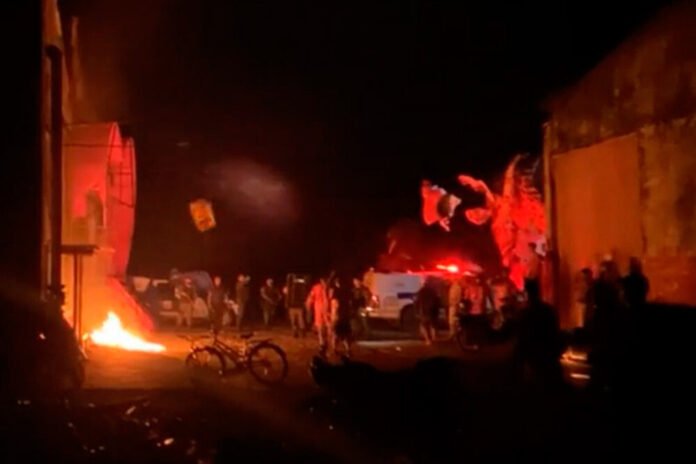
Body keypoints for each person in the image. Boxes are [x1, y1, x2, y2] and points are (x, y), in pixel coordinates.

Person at [514, 279, 563, 389]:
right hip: (548, 356)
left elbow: (522, 338)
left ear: (526, 294)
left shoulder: (525, 314)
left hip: (535, 357)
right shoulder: (548, 310)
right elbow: (555, 332)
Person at [306, 277, 331, 356]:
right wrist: (308, 304)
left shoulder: (331, 288)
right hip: (319, 310)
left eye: (326, 280)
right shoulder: (316, 287)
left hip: (329, 310)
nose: (325, 282)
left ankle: (328, 342)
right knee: (319, 326)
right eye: (324, 280)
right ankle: (321, 343)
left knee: (329, 326)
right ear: (321, 280)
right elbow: (311, 297)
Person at [329, 278, 353, 357]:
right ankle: (348, 350)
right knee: (345, 334)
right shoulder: (347, 292)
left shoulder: (336, 293)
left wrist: (333, 316)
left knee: (336, 334)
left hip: (338, 316)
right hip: (345, 316)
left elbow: (335, 305)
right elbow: (350, 304)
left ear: (337, 283)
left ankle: (334, 349)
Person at [415, 278, 440, 345]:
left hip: (424, 311)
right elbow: (437, 302)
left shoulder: (421, 291)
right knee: (433, 325)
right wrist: (437, 311)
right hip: (432, 312)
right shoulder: (433, 291)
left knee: (425, 326)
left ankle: (428, 340)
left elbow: (417, 302)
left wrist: (417, 311)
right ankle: (434, 338)